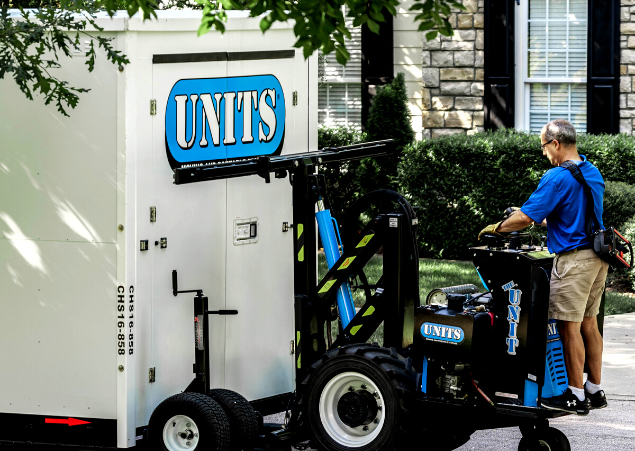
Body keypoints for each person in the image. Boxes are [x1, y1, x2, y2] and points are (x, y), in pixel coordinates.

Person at [478, 119, 608, 416]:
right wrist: (540, 219)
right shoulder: (591, 171)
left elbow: (524, 218)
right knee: (589, 323)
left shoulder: (557, 177)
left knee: (568, 326)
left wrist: (497, 228)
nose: (544, 153)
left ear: (556, 144)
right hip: (597, 259)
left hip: (574, 261)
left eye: (544, 147)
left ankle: (574, 395)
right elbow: (573, 217)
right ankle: (594, 388)